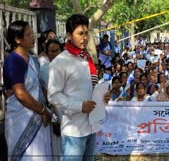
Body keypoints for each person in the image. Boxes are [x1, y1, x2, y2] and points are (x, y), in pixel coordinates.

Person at [48, 14, 98, 160]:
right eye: (80, 33)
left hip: (91, 126)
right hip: (73, 131)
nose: (85, 38)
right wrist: (79, 106)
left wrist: (101, 96)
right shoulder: (60, 62)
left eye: (86, 33)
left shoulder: (86, 58)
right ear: (69, 35)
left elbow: (90, 88)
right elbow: (52, 95)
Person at [3, 20, 51, 159]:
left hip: (40, 117)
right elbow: (20, 94)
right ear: (18, 39)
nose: (33, 37)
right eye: (29, 34)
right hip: (22, 119)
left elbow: (41, 86)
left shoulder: (34, 60)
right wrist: (42, 110)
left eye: (33, 33)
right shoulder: (13, 60)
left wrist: (50, 107)